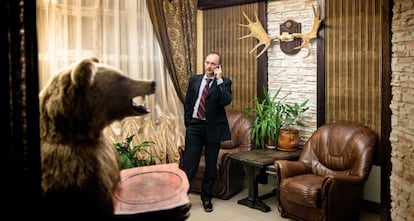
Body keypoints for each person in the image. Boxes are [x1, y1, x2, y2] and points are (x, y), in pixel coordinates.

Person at [181, 52, 232, 212]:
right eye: (207, 62)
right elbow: (188, 102)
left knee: (211, 166)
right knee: (189, 165)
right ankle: (182, 198)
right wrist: (189, 123)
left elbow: (226, 101)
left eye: (213, 64)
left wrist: (219, 80)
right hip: (195, 127)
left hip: (213, 128)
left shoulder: (224, 82)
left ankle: (206, 199)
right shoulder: (195, 80)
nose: (209, 66)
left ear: (218, 66)